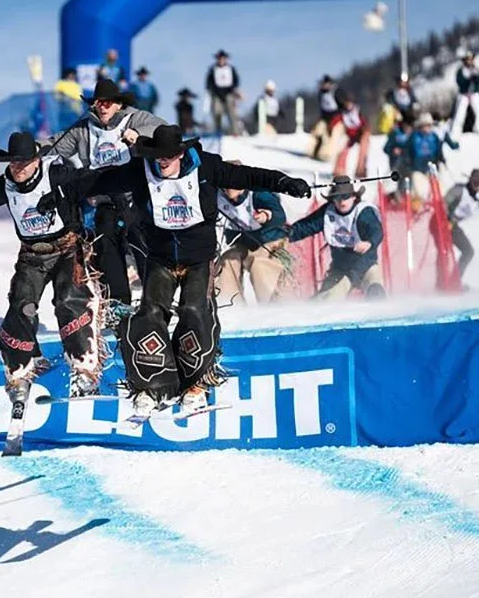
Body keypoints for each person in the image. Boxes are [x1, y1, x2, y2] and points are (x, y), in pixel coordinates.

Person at [48, 125, 311, 416]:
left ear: (181, 154)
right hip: (160, 257)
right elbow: (102, 180)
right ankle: (153, 385)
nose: (163, 161)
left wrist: (285, 182)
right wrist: (63, 193)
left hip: (198, 258)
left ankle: (195, 384)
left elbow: (248, 175)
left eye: (169, 156)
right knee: (150, 314)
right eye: (158, 156)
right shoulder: (141, 171)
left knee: (194, 311)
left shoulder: (206, 167)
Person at [0, 131, 106, 400]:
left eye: (23, 162)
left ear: (36, 160)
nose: (18, 168)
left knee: (69, 301)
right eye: (13, 163)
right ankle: (21, 369)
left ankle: (84, 371)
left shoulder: (56, 174)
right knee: (22, 306)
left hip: (67, 249)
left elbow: (92, 181)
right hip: (32, 255)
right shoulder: (5, 185)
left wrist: (64, 196)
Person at [47, 78, 167, 310]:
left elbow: (162, 129)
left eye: (108, 102)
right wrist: (34, 149)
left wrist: (138, 134)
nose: (103, 107)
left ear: (118, 104)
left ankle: (156, 304)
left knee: (144, 249)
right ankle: (119, 306)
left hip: (135, 198)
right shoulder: (83, 129)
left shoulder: (135, 118)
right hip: (103, 199)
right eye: (98, 102)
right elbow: (55, 145)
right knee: (107, 252)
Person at [287, 175, 385, 300]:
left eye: (345, 197)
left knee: (376, 292)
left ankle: (381, 310)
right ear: (332, 199)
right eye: (337, 197)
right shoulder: (328, 213)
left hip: (366, 266)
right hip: (341, 269)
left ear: (354, 197)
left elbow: (376, 231)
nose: (342, 202)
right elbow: (304, 227)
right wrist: (283, 235)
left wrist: (369, 243)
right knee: (325, 299)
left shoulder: (364, 212)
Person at [215, 166, 292, 304]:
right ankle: (231, 304)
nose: (228, 188)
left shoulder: (258, 194)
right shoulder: (218, 196)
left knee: (259, 265)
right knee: (227, 261)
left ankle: (272, 305)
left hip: (269, 241)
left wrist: (266, 216)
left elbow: (280, 216)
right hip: (243, 243)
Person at [409, 112, 459, 203]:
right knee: (421, 191)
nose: (427, 128)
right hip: (417, 170)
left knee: (440, 190)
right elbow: (407, 151)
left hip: (431, 169)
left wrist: (441, 159)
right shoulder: (414, 137)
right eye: (425, 125)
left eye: (429, 125)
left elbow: (438, 151)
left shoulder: (434, 136)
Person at [329, 94, 370, 177]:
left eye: (349, 103)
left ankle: (361, 170)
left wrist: (365, 131)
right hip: (349, 136)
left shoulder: (357, 111)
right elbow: (335, 121)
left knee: (363, 148)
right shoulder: (342, 114)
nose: (348, 105)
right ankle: (339, 170)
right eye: (346, 103)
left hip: (360, 134)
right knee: (343, 149)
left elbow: (365, 123)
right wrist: (331, 128)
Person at [450, 52, 479, 138]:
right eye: (467, 59)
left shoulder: (476, 70)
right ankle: (455, 131)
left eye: (470, 59)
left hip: (474, 94)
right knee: (460, 113)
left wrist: (476, 81)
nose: (469, 61)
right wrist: (467, 80)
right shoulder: (461, 71)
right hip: (463, 94)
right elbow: (459, 82)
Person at [205, 50, 241, 136]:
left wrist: (233, 90)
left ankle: (235, 132)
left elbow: (236, 80)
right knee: (217, 113)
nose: (221, 60)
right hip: (217, 94)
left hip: (229, 93)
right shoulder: (213, 69)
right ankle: (218, 131)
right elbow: (209, 82)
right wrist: (213, 91)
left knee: (232, 113)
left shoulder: (231, 68)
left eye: (223, 58)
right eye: (219, 58)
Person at [311, 75, 346, 161]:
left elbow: (343, 104)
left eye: (325, 84)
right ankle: (314, 152)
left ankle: (327, 155)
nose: (323, 85)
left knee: (333, 136)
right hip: (324, 117)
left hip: (336, 117)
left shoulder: (336, 91)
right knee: (317, 133)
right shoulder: (321, 93)